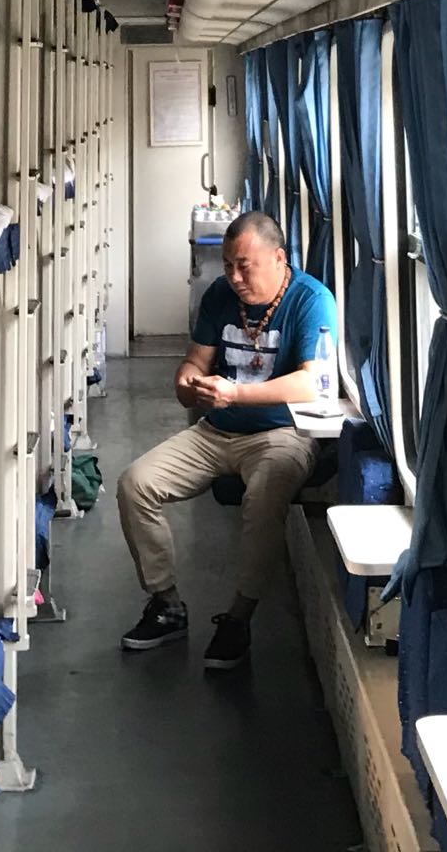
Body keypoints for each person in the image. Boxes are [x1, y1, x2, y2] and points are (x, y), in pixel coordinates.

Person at [116, 209, 339, 674]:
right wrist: (187, 382)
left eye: (244, 266)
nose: (234, 277)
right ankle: (166, 603)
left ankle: (239, 618)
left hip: (282, 433)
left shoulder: (311, 299)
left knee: (265, 495)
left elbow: (312, 384)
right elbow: (195, 361)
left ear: (278, 259)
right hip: (217, 430)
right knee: (136, 484)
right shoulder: (220, 295)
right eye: (228, 265)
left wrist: (236, 393)